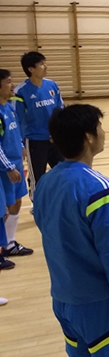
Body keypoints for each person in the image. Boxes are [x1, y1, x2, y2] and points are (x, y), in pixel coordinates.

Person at [34, 104, 109, 356]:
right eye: (100, 126)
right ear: (88, 137)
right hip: (100, 304)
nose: (103, 132)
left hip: (63, 300)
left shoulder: (45, 183)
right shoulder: (101, 189)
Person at [12, 52, 64, 200]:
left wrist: (59, 132)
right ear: (31, 69)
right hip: (35, 141)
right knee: (37, 176)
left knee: (64, 171)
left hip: (55, 139)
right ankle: (37, 204)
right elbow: (16, 120)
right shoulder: (21, 91)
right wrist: (21, 144)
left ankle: (62, 201)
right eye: (41, 64)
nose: (45, 66)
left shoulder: (52, 85)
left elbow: (60, 110)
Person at [0, 69, 33, 265]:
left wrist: (21, 147)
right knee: (2, 210)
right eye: (8, 82)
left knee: (17, 202)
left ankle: (9, 243)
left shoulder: (10, 108)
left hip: (16, 165)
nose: (12, 85)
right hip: (5, 169)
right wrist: (8, 167)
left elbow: (17, 132)